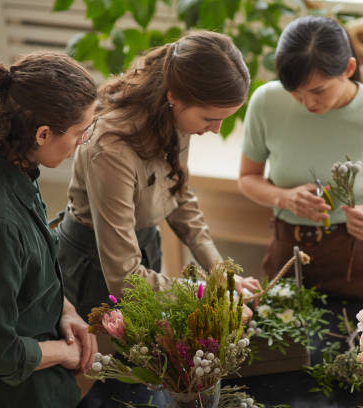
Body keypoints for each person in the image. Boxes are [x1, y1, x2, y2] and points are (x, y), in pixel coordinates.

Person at [57, 30, 261, 330]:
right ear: (173, 97)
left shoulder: (175, 116)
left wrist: (220, 273)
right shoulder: (111, 150)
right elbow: (124, 279)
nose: (217, 130)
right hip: (94, 265)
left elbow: (178, 195)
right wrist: (206, 293)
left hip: (143, 246)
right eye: (209, 119)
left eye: (224, 119)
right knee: (112, 369)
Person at [0, 52, 99, 407]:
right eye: (80, 132)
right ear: (42, 134)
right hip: (9, 396)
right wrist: (64, 353)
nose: (82, 143)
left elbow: (26, 269)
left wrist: (65, 310)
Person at [238, 16, 363, 304]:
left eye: (318, 91)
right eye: (295, 93)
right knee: (278, 343)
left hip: (356, 253)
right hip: (288, 249)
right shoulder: (266, 102)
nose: (308, 103)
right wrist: (284, 198)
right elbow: (248, 178)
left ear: (349, 68)